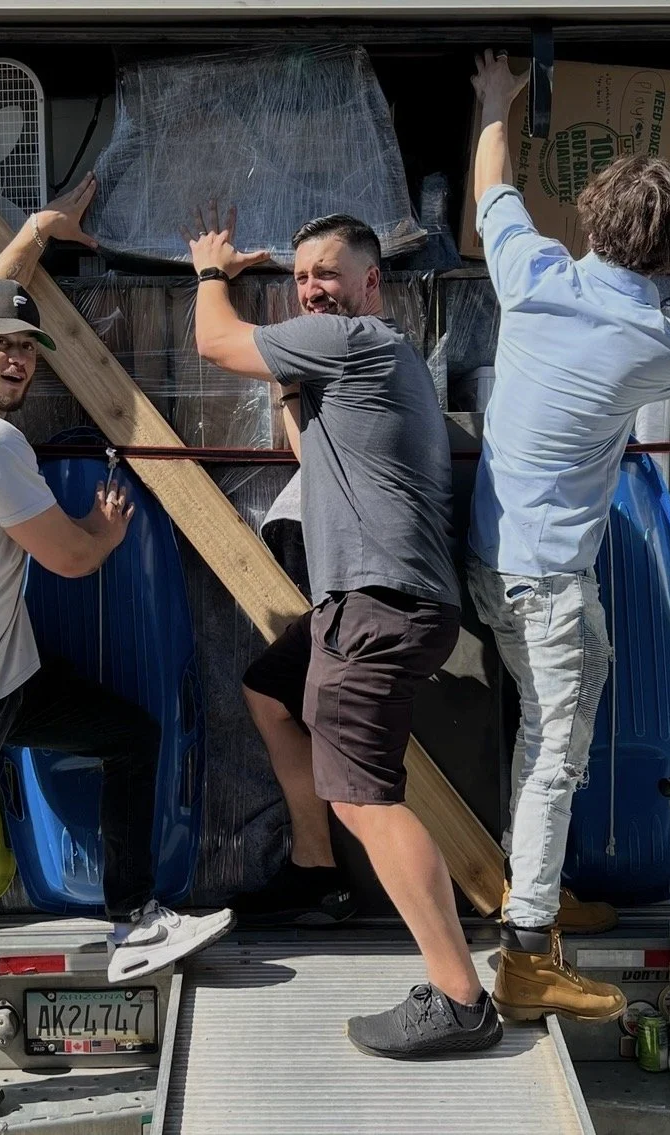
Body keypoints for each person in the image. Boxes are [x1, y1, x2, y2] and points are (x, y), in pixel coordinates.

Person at [0, 177, 234, 1124]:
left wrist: (34, 233)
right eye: (4, 347)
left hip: (2, 680)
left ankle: (134, 916)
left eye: (29, 348)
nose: (19, 361)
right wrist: (108, 529)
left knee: (128, 735)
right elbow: (69, 560)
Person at [183, 203, 503, 1059]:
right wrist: (288, 377)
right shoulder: (354, 370)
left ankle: (459, 996)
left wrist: (213, 271)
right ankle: (316, 862)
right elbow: (306, 450)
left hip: (377, 605)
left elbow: (215, 343)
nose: (311, 287)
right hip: (366, 607)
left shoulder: (357, 342)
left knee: (368, 796)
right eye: (299, 277)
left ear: (372, 281)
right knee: (268, 689)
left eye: (327, 272)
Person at [465, 51, 670, 1024]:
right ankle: (529, 954)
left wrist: (494, 102)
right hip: (549, 579)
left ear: (587, 219)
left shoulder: (533, 274)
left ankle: (530, 897)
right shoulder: (659, 342)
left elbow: (492, 186)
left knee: (546, 728)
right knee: (555, 753)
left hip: (491, 561)